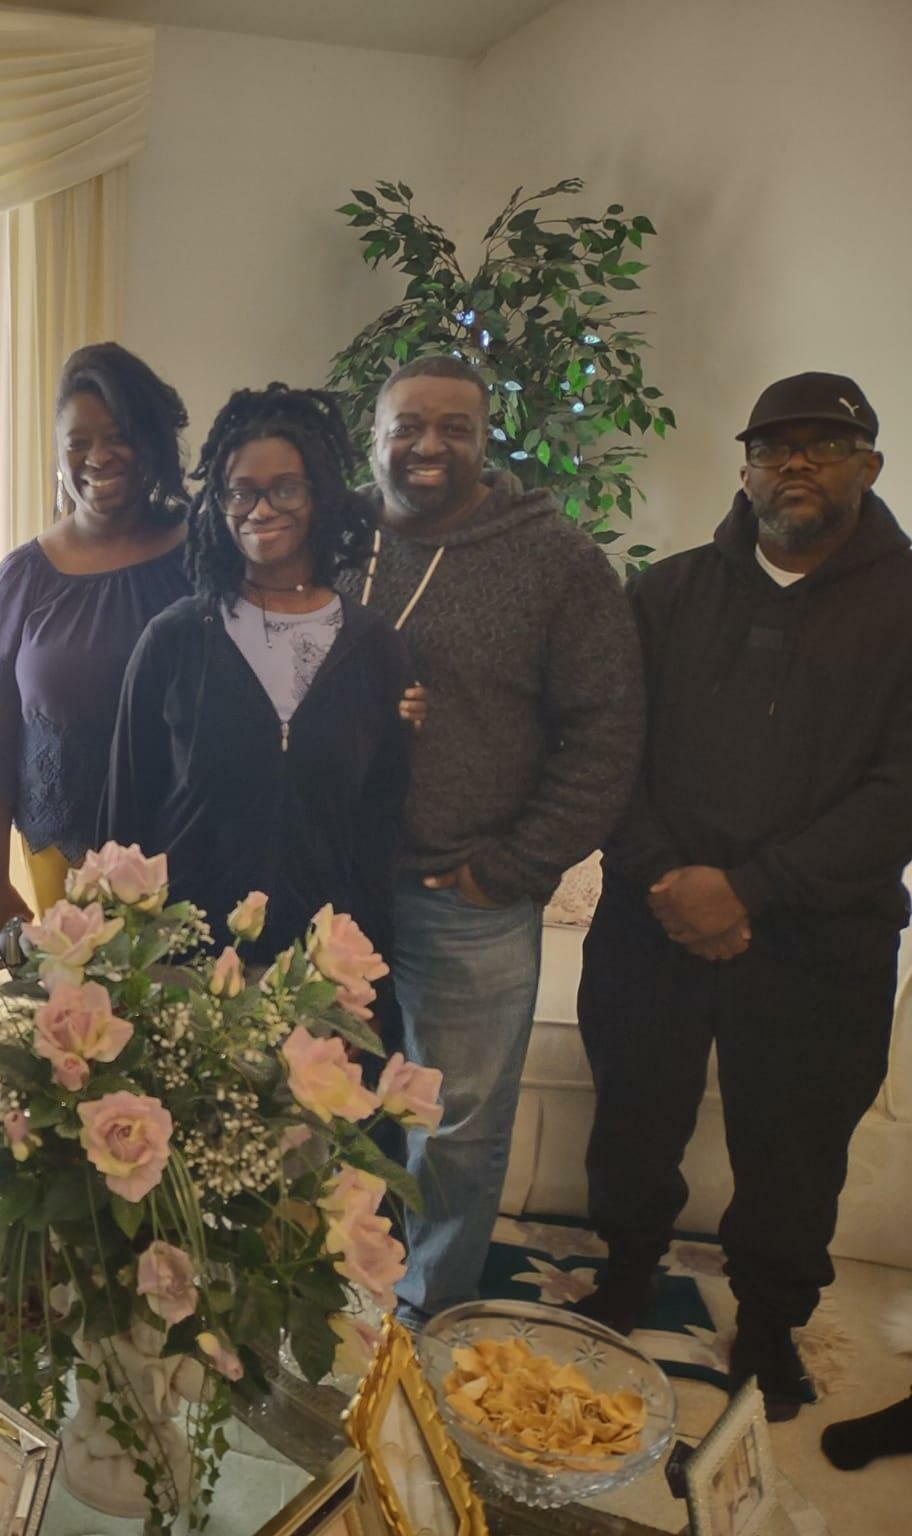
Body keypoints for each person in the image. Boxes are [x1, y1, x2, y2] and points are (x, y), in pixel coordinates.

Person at [576, 373, 912, 1420]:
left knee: (795, 1149)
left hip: (823, 934)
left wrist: (749, 891)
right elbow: (607, 752)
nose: (795, 461)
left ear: (869, 465)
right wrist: (668, 882)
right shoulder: (665, 593)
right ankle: (625, 1272)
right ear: (745, 468)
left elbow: (900, 788)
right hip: (651, 916)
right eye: (773, 446)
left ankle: (768, 1320)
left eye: (824, 444)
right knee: (633, 1116)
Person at [333, 356, 642, 1325]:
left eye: (454, 427)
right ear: (373, 437)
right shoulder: (329, 534)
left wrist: (512, 867)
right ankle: (328, 1297)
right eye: (406, 426)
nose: (428, 445)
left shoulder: (554, 559)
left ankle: (426, 1313)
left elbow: (609, 731)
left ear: (484, 440)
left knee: (455, 1129)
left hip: (460, 896)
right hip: (331, 890)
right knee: (329, 1101)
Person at [101, 383, 420, 960]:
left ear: (320, 497)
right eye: (241, 492)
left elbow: (379, 823)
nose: (262, 509)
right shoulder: (174, 640)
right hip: (184, 961)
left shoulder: (375, 648)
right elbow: (125, 818)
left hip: (320, 965)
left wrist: (368, 957)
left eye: (286, 489)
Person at [0, 343, 191, 937]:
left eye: (117, 437)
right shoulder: (22, 579)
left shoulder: (201, 557)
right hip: (62, 855)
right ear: (58, 453)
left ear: (149, 441)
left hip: (189, 847)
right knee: (80, 995)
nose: (97, 457)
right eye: (78, 442)